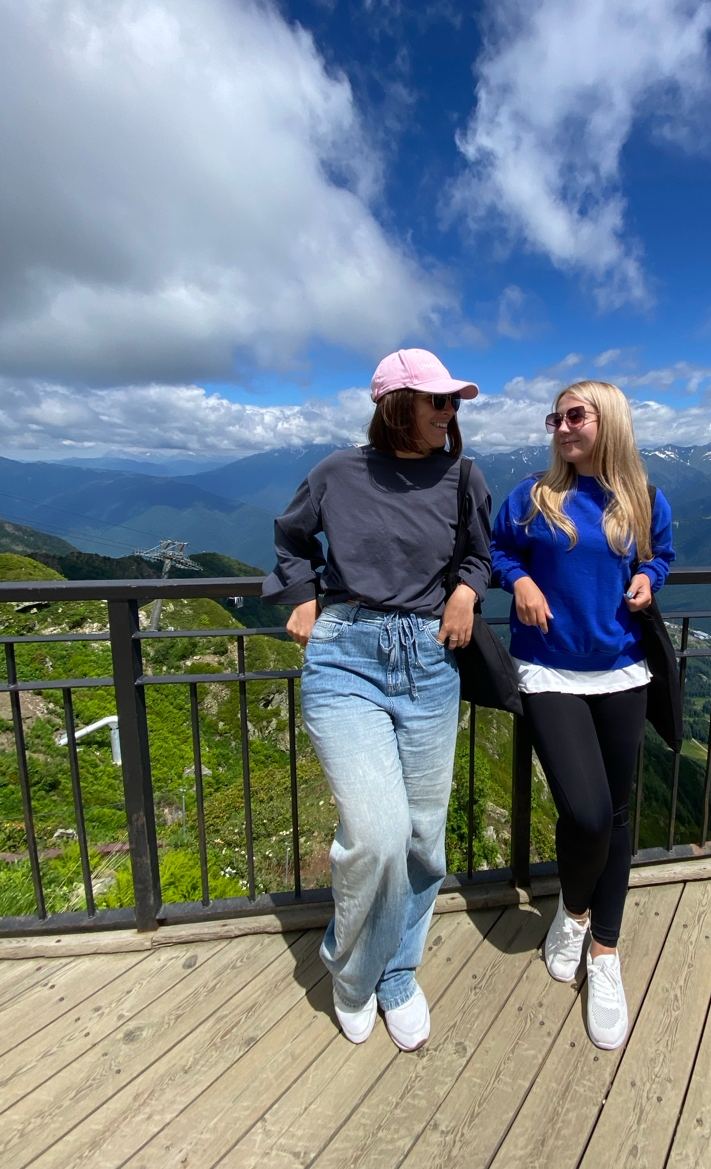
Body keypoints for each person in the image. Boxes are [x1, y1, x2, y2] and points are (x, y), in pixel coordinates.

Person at [263, 349, 492, 1051]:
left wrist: (466, 591)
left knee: (422, 838)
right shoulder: (337, 472)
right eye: (437, 400)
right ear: (397, 405)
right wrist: (302, 594)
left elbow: (479, 554)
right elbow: (291, 536)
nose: (449, 412)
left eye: (453, 401)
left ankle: (397, 972)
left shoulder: (463, 476)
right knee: (376, 834)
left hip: (429, 657)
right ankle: (355, 973)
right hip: (347, 656)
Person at [490, 380, 675, 1050]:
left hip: (623, 670)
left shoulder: (644, 499)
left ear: (610, 421)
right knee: (589, 814)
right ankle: (572, 911)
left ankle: (604, 950)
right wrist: (520, 580)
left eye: (575, 416)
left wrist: (650, 577)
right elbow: (497, 552)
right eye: (556, 418)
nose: (562, 427)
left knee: (617, 815)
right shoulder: (532, 496)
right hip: (549, 671)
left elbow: (662, 555)